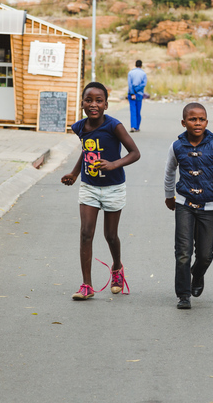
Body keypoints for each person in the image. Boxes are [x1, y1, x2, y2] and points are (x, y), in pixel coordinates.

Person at [61, 82, 141, 300]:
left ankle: (117, 268)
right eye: (88, 100)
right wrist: (75, 173)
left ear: (106, 104)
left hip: (114, 187)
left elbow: (135, 153)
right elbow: (87, 150)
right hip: (89, 187)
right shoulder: (79, 127)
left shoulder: (114, 126)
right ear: (82, 104)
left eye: (98, 100)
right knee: (86, 233)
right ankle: (87, 285)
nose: (93, 104)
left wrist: (114, 164)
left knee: (110, 235)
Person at [164, 103, 213, 310]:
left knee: (205, 255)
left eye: (201, 119)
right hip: (184, 203)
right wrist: (169, 196)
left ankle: (198, 274)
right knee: (183, 251)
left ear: (206, 122)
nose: (197, 123)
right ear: (183, 122)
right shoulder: (176, 146)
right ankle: (183, 295)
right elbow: (169, 172)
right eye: (192, 119)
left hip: (208, 206)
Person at [127, 60, 147, 132]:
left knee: (133, 111)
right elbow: (143, 84)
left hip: (131, 94)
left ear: (135, 65)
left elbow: (129, 84)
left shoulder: (130, 73)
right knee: (138, 111)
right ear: (141, 65)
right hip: (139, 94)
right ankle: (137, 127)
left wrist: (132, 92)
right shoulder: (143, 74)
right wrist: (136, 90)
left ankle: (133, 126)